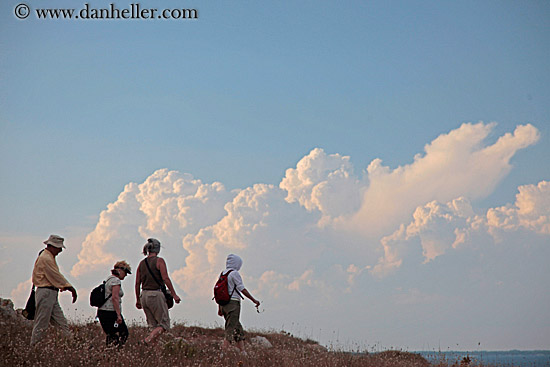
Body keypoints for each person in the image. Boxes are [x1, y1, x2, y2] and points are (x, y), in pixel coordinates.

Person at [30, 234, 78, 346]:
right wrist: (70, 287)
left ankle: (71, 344)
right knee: (41, 323)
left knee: (61, 323)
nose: (60, 250)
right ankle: (34, 347)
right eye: (59, 247)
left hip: (51, 293)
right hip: (46, 292)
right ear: (52, 246)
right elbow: (55, 275)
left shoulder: (48, 257)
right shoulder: (46, 258)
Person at [135, 238, 181, 345]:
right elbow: (165, 278)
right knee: (163, 325)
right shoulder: (159, 261)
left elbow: (137, 283)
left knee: (153, 327)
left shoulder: (142, 263)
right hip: (155, 294)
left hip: (144, 296)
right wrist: (174, 295)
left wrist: (138, 299)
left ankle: (155, 354)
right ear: (157, 249)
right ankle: (145, 341)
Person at [217, 254, 260, 354]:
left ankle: (243, 352)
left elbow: (221, 291)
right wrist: (254, 300)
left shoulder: (223, 273)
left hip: (224, 305)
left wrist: (219, 308)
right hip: (233, 303)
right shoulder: (234, 273)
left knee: (237, 327)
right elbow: (242, 289)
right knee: (230, 329)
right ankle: (222, 355)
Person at [97, 260, 132, 347]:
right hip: (111, 312)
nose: (126, 275)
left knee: (111, 334)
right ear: (120, 270)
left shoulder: (108, 280)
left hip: (102, 311)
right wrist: (118, 314)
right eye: (125, 272)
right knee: (124, 333)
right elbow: (115, 298)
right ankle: (117, 351)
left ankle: (110, 353)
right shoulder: (116, 281)